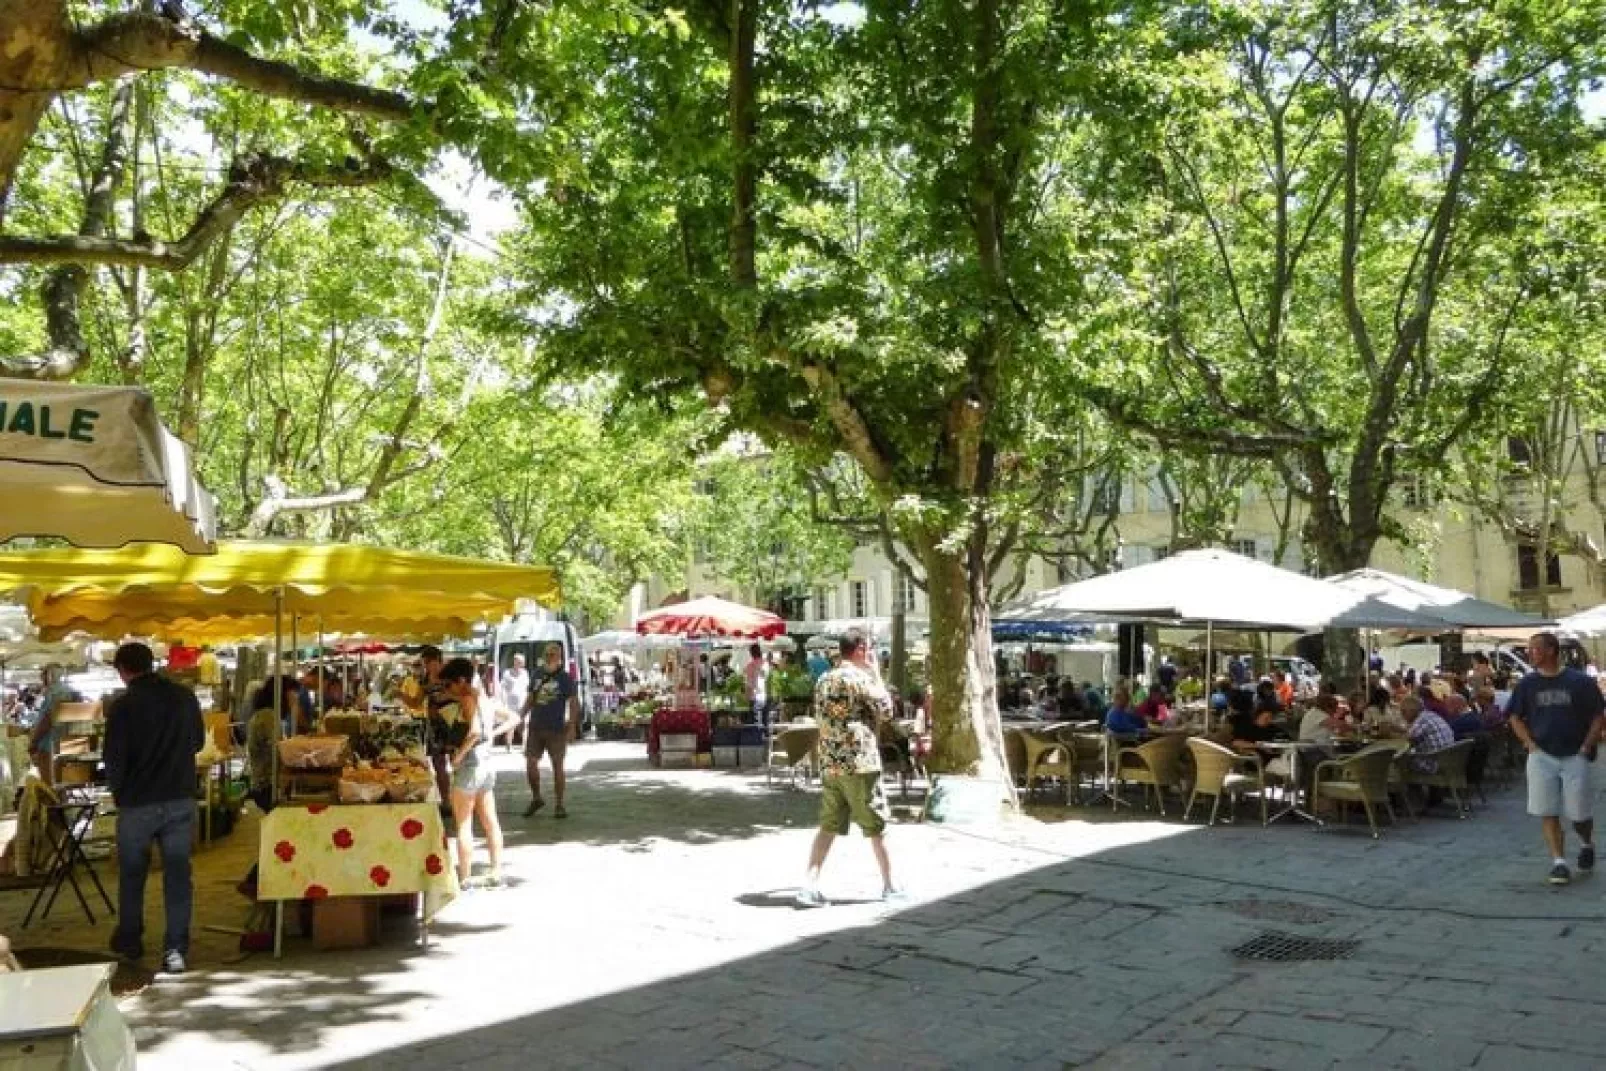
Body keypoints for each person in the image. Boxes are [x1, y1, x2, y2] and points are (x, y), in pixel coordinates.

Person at [104, 642, 204, 974]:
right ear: (152, 663)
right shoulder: (184, 697)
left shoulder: (122, 707)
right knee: (178, 875)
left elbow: (114, 760)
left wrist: (119, 794)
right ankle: (175, 948)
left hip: (137, 803)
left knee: (132, 874)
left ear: (123, 670)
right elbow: (199, 743)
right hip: (179, 797)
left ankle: (131, 940)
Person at [796, 629, 900, 907]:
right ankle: (890, 886)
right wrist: (876, 673)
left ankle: (810, 884)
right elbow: (887, 709)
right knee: (876, 825)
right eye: (868, 649)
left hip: (830, 760)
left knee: (828, 825)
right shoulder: (858, 678)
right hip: (859, 761)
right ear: (860, 649)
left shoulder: (823, 680)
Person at [1506, 631, 1606, 885]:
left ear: (1551, 650)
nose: (1530, 653)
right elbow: (1514, 716)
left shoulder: (1579, 682)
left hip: (1575, 753)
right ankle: (1558, 862)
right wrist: (1529, 744)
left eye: (1535, 649)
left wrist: (1587, 745)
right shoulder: (1527, 684)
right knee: (1546, 810)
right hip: (1542, 754)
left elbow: (1597, 714)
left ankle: (1586, 842)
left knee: (1578, 812)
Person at [441, 657, 506, 888]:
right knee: (490, 822)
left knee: (464, 825)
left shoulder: (468, 699)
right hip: (487, 764)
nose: (447, 690)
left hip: (470, 765)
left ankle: (465, 877)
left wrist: (457, 757)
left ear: (461, 681)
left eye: (448, 685)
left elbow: (475, 732)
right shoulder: (483, 698)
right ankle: (496, 871)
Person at [239, 676, 300, 898]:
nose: (296, 698)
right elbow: (279, 752)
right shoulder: (268, 717)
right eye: (293, 693)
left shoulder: (267, 715)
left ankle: (258, 881)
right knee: (281, 837)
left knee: (280, 835)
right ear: (282, 693)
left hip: (264, 783)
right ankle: (254, 881)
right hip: (267, 785)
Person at [522, 642, 579, 819]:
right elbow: (531, 698)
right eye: (547, 653)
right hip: (536, 726)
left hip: (556, 728)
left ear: (560, 656)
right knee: (531, 763)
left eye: (554, 654)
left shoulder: (565, 678)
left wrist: (572, 725)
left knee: (557, 767)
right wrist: (521, 716)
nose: (550, 656)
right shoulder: (537, 674)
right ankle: (536, 798)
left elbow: (573, 702)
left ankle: (559, 804)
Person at [497, 654, 531, 751]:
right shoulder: (507, 673)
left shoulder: (525, 673)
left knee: (525, 724)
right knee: (511, 724)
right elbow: (502, 688)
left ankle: (524, 746)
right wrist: (503, 701)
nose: (520, 663)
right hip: (510, 704)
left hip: (523, 702)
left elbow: (527, 687)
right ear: (514, 662)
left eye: (522, 662)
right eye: (518, 661)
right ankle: (508, 744)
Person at [744, 643, 769, 723]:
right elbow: (768, 679)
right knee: (765, 719)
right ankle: (766, 733)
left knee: (754, 720)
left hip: (754, 696)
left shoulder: (750, 666)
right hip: (765, 695)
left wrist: (746, 696)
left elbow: (749, 683)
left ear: (751, 653)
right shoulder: (766, 664)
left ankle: (756, 734)